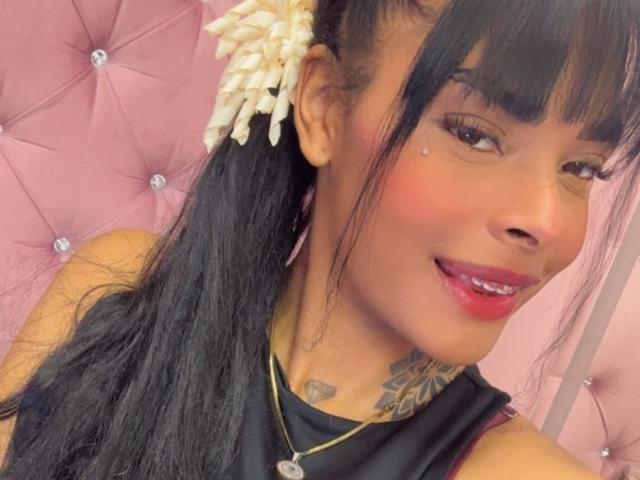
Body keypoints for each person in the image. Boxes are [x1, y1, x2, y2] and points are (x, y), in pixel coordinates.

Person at [1, 0, 639, 478]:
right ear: (325, 105)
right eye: (474, 134)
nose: (546, 220)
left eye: (582, 168)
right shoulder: (118, 297)